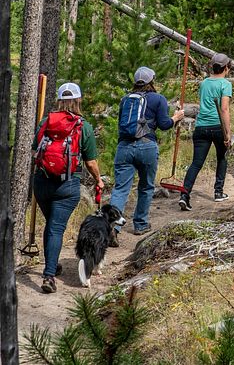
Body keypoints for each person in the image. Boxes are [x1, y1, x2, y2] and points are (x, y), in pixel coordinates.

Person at [33, 82, 104, 293]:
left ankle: (52, 266)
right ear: (78, 100)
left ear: (59, 100)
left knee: (52, 226)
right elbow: (91, 162)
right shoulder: (83, 126)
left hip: (42, 183)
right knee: (55, 227)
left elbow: (35, 151)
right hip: (67, 185)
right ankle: (49, 275)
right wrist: (99, 180)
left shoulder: (45, 123)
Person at [109, 67, 185, 242]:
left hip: (124, 147)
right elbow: (165, 124)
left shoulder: (125, 100)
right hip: (147, 147)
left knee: (120, 189)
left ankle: (112, 226)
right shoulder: (158, 99)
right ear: (152, 81)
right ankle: (140, 224)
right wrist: (176, 117)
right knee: (146, 187)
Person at [179, 53, 234, 210]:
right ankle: (218, 192)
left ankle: (185, 194)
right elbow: (224, 109)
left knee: (196, 163)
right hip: (217, 126)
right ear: (226, 67)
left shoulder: (204, 83)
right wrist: (228, 132)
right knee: (222, 157)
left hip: (201, 126)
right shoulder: (225, 84)